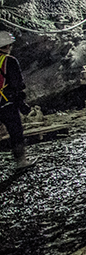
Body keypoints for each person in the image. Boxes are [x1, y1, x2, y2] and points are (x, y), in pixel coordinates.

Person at [0, 31, 35, 169]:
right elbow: (17, 85)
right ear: (7, 45)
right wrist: (22, 104)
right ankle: (21, 161)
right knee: (15, 132)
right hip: (7, 102)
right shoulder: (10, 61)